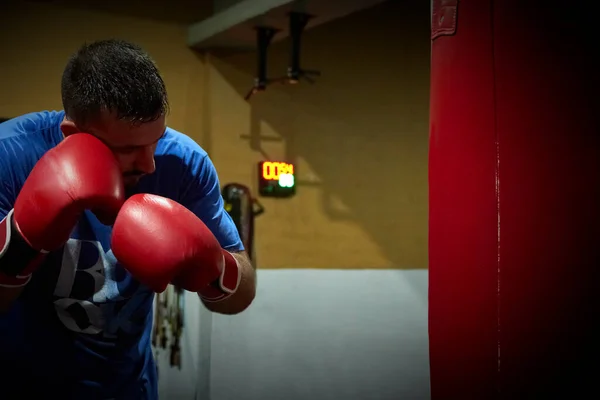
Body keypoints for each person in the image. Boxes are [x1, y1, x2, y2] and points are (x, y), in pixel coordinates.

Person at [0, 39, 256, 399]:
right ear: (73, 135)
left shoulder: (183, 164)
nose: (149, 163)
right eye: (129, 150)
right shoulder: (10, 155)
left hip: (129, 388)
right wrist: (21, 238)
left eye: (156, 140)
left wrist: (215, 269)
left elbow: (242, 296)